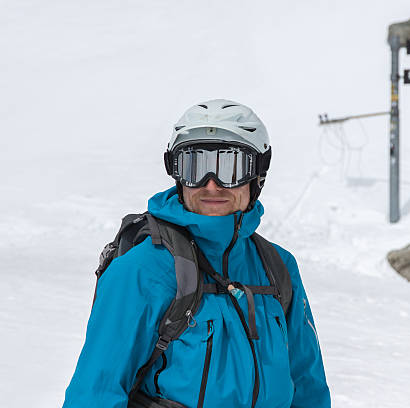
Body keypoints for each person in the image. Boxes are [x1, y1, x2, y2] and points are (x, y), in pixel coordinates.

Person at [63, 100, 331, 408]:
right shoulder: (142, 270)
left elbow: (307, 385)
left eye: (230, 166)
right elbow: (94, 393)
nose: (212, 185)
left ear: (258, 175)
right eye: (196, 167)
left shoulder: (277, 267)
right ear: (177, 175)